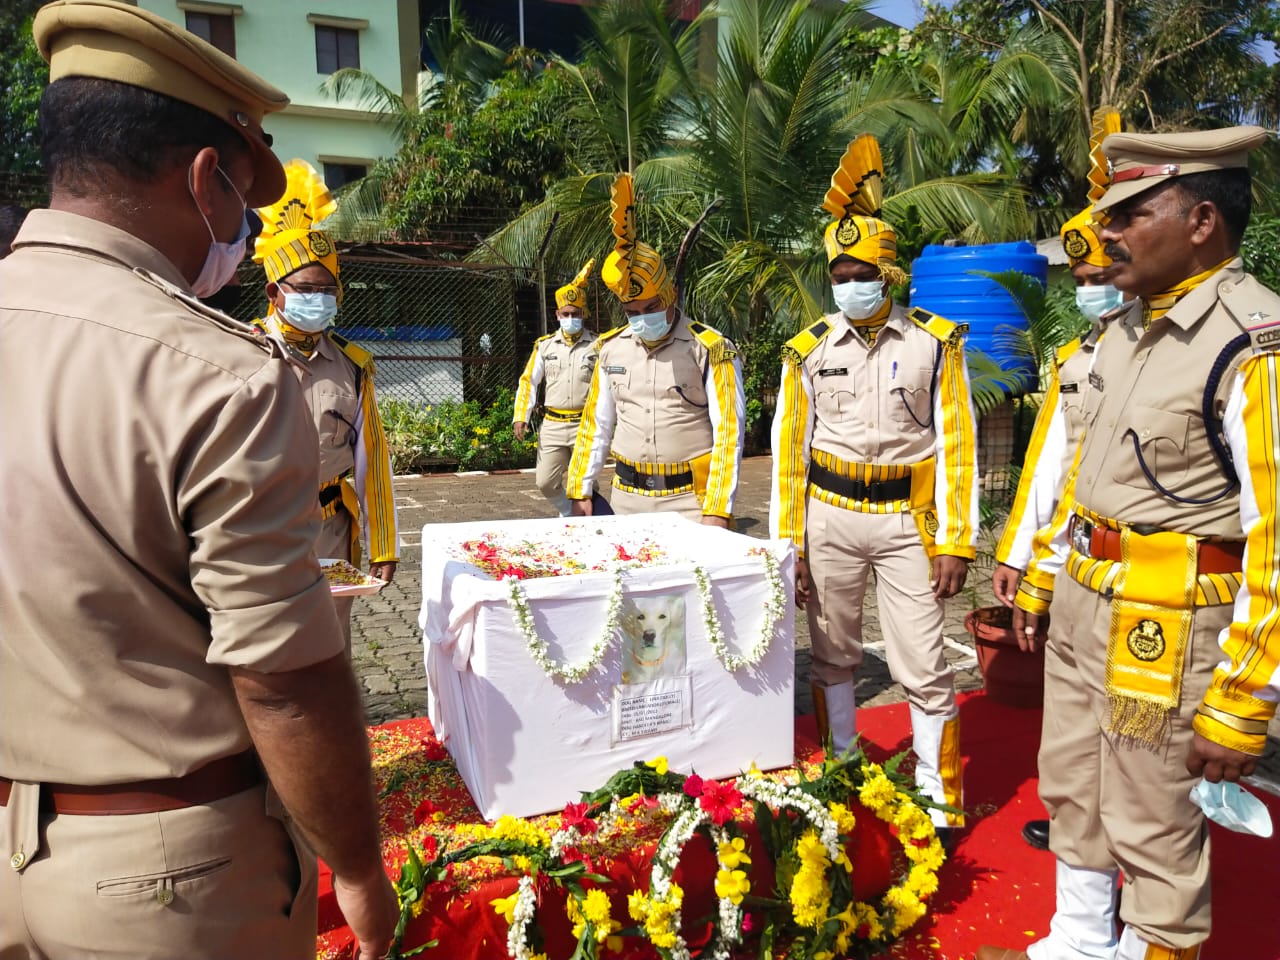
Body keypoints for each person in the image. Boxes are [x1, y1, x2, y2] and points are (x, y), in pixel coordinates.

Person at [0, 3, 396, 959]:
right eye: (242, 200)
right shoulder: (215, 375)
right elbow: (285, 686)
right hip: (170, 880)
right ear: (207, 178)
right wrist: (355, 863)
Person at [980, 125, 1279, 960]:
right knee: (1074, 785)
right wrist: (1041, 576)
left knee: (1153, 819)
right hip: (1084, 599)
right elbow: (1081, 480)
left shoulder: (1252, 344)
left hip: (1169, 619)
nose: (1107, 231)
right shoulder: (1123, 333)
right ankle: (1077, 938)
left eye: (1132, 212)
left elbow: (1278, 536)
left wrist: (1244, 698)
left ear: (1202, 221)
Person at [769, 134, 978, 836]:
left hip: (906, 527)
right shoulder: (807, 351)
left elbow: (957, 448)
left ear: (886, 273)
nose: (849, 283)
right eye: (838, 273)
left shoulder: (936, 344)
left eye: (861, 270)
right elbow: (788, 458)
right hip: (828, 519)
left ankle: (941, 802)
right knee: (832, 659)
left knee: (924, 663)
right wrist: (786, 546)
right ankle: (842, 770)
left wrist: (955, 540)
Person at [990, 109, 1125, 853]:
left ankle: (1126, 835)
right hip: (1070, 556)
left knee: (1128, 716)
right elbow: (1047, 463)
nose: (1090, 289)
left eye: (1100, 277)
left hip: (1147, 569)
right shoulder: (1071, 357)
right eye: (1080, 279)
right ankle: (1078, 826)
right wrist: (1017, 554)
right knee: (1069, 711)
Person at [253, 159, 399, 654]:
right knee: (268, 644)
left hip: (331, 527)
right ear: (275, 293)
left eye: (328, 290)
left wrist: (383, 544)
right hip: (259, 529)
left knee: (331, 640)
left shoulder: (353, 364)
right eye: (307, 290)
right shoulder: (241, 352)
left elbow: (371, 462)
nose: (320, 300)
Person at [565, 173, 745, 524]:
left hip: (690, 503)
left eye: (650, 308)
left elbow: (730, 432)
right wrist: (581, 490)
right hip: (625, 500)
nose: (641, 318)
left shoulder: (711, 348)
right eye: (631, 312)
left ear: (669, 295)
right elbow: (596, 424)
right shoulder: (610, 349)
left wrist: (718, 510)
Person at [513, 259, 601, 516]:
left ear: (583, 314)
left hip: (584, 423)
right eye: (566, 314)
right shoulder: (545, 345)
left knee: (586, 485)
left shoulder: (598, 346)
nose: (571, 318)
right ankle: (569, 511)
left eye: (576, 314)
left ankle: (587, 522)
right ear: (557, 315)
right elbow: (529, 380)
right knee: (545, 481)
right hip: (552, 424)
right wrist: (522, 416)